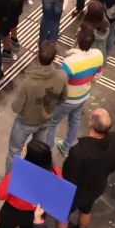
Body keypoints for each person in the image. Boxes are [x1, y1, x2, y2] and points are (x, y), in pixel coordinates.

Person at [51, 108, 115, 228]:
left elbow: (69, 176)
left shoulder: (79, 151)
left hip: (75, 192)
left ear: (91, 123)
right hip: (97, 187)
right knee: (86, 209)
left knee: (63, 214)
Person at [2, 42, 67, 174]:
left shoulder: (28, 82)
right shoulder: (61, 77)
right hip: (45, 122)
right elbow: (63, 98)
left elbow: (16, 107)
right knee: (38, 155)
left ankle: (9, 182)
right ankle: (33, 179)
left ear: (37, 55)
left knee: (14, 152)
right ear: (54, 58)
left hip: (25, 122)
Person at [46, 28, 104, 157]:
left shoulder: (70, 62)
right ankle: (67, 147)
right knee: (75, 121)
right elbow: (98, 76)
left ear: (77, 41)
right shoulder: (98, 55)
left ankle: (47, 153)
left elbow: (60, 82)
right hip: (83, 96)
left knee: (51, 123)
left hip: (67, 99)